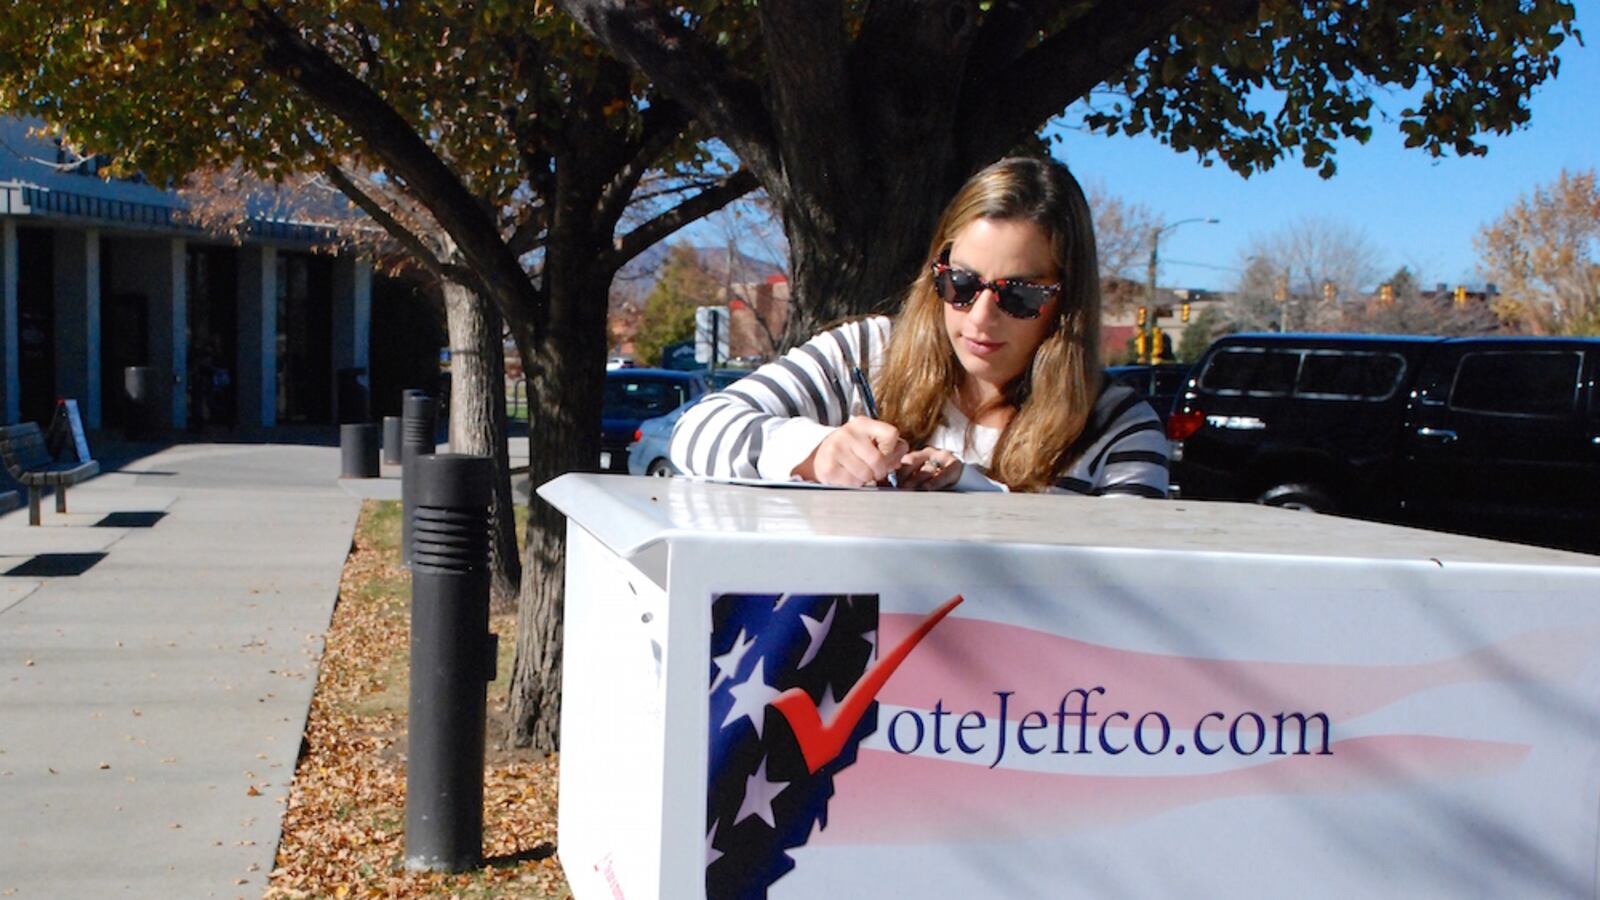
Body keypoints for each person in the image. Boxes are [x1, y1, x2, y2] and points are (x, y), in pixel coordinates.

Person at [669, 156, 1169, 497]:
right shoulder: (864, 355)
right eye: (961, 282)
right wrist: (814, 452)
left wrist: (972, 493)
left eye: (1019, 294)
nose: (979, 316)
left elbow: (1117, 587)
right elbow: (695, 430)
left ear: (1068, 301)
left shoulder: (1118, 426)